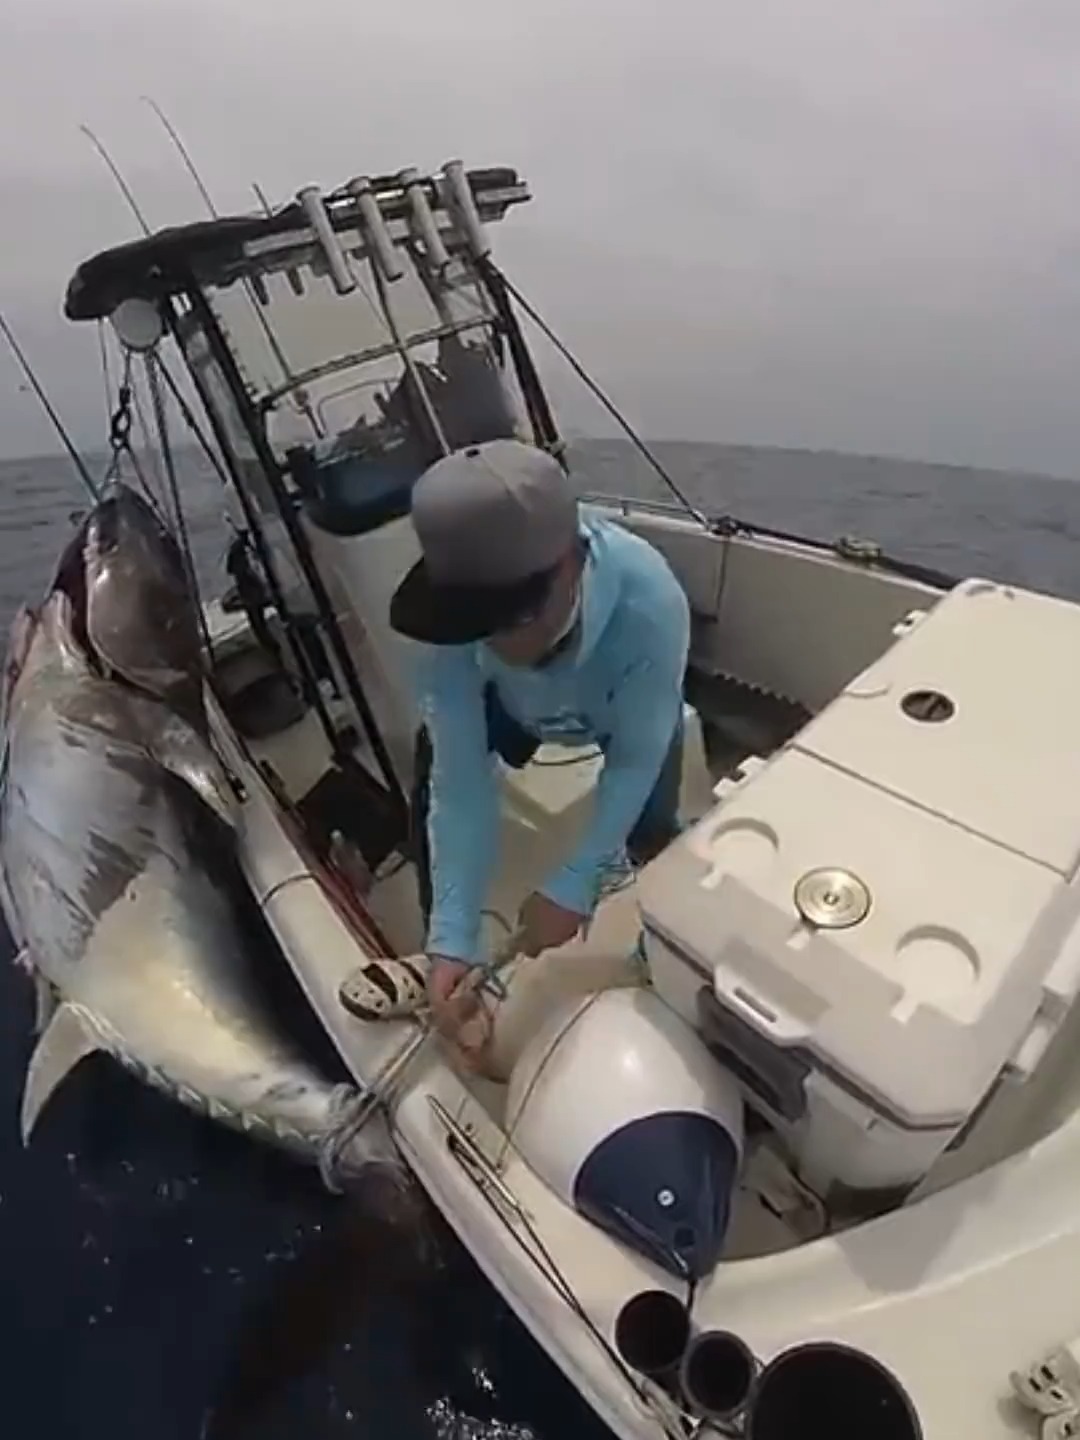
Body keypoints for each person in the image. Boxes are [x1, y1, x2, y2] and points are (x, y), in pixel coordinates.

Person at [338, 438, 690, 1043]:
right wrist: (454, 936)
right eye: (474, 622)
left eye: (518, 614)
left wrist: (576, 882)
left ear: (573, 559)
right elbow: (461, 789)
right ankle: (445, 960)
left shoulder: (651, 603)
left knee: (653, 825)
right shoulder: (452, 642)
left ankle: (663, 947)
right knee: (432, 775)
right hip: (511, 708)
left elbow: (635, 759)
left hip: (616, 713)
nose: (499, 643)